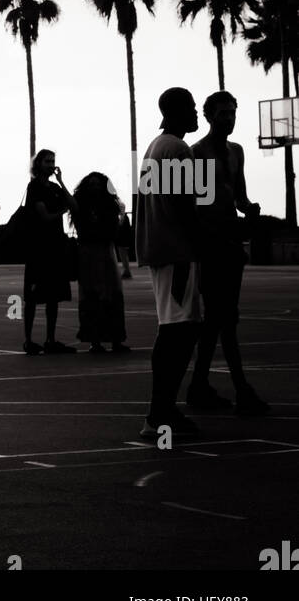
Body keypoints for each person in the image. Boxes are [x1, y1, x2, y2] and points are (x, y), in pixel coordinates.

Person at [187, 92, 269, 416]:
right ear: (209, 117)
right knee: (224, 319)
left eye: (232, 113)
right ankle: (240, 389)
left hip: (230, 245)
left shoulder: (236, 152)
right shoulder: (198, 154)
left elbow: (238, 196)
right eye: (222, 114)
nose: (229, 119)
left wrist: (250, 210)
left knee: (218, 320)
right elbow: (197, 207)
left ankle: (200, 385)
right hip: (211, 247)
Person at [136, 87, 202, 439]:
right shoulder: (178, 149)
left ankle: (161, 410)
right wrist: (203, 244)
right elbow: (187, 207)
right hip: (177, 252)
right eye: (191, 107)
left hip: (161, 250)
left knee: (174, 329)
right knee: (179, 330)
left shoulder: (153, 147)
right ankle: (159, 413)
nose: (195, 114)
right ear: (177, 111)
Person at [22, 150, 78, 354]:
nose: (51, 164)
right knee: (32, 297)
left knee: (53, 297)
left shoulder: (54, 188)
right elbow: (43, 216)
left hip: (55, 248)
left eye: (53, 161)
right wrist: (61, 212)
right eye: (47, 161)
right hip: (38, 248)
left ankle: (50, 339)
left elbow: (74, 205)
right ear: (39, 164)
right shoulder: (34, 186)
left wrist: (62, 181)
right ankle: (28, 340)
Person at [71, 174, 130, 354]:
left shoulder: (82, 205)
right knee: (106, 297)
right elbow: (116, 229)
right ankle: (110, 340)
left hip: (95, 252)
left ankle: (99, 340)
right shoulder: (107, 206)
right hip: (101, 252)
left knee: (97, 297)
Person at [116, 201, 133, 278]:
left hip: (122, 240)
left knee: (123, 256)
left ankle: (127, 271)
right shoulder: (125, 217)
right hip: (123, 240)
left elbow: (125, 230)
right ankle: (126, 271)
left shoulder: (123, 218)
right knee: (124, 256)